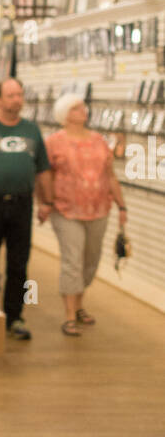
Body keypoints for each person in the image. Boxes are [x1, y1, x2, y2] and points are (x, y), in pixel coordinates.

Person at [0, 77, 54, 339]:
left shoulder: (32, 130)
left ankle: (15, 317)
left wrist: (46, 201)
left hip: (22, 204)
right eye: (11, 95)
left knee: (19, 263)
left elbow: (43, 169)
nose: (17, 99)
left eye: (20, 94)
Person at [46, 92, 127, 336]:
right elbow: (45, 175)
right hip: (65, 210)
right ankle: (69, 315)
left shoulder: (99, 141)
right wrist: (45, 202)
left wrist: (122, 206)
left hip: (99, 208)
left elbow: (110, 175)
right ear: (64, 115)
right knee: (72, 259)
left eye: (83, 107)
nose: (83, 111)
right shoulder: (54, 142)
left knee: (90, 260)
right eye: (76, 108)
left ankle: (80, 305)